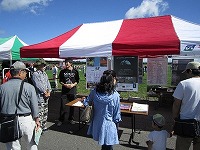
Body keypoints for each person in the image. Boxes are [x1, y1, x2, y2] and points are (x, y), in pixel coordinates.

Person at [0, 61, 40, 150]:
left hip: (8, 120)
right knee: (32, 145)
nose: (26, 74)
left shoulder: (2, 87)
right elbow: (34, 106)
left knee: (13, 148)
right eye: (25, 72)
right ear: (20, 72)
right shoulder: (29, 87)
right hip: (26, 120)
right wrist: (37, 119)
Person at [82, 70, 121, 150]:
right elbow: (116, 115)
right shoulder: (115, 95)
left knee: (105, 146)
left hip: (97, 123)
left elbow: (87, 102)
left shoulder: (94, 92)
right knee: (108, 146)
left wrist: (84, 101)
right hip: (109, 124)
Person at [172, 61, 200, 150]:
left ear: (190, 71)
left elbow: (176, 104)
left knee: (182, 147)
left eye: (187, 72)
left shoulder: (184, 84)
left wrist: (175, 119)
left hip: (186, 122)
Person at [57, 58, 80, 126]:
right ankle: (61, 119)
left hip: (72, 91)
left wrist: (73, 85)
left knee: (72, 106)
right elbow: (60, 80)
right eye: (66, 62)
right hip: (64, 91)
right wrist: (64, 84)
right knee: (63, 106)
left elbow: (77, 80)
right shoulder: (62, 71)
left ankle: (71, 119)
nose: (66, 64)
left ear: (71, 63)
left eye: (68, 62)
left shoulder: (75, 71)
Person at [32, 58, 51, 132]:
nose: (44, 66)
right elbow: (38, 85)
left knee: (45, 111)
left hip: (46, 96)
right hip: (40, 97)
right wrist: (44, 92)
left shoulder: (44, 73)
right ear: (39, 66)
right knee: (40, 112)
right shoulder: (35, 74)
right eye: (42, 65)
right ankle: (39, 127)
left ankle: (44, 125)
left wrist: (49, 91)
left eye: (44, 65)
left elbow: (48, 83)